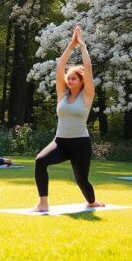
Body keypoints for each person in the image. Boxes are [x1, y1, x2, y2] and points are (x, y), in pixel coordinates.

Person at [32, 26, 103, 212]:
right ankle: (43, 202)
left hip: (80, 143)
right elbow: (59, 67)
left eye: (74, 79)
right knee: (40, 160)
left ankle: (92, 201)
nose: (69, 81)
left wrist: (83, 46)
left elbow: (87, 68)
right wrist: (71, 45)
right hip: (60, 142)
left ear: (81, 81)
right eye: (68, 78)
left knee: (81, 180)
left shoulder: (87, 96)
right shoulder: (62, 95)